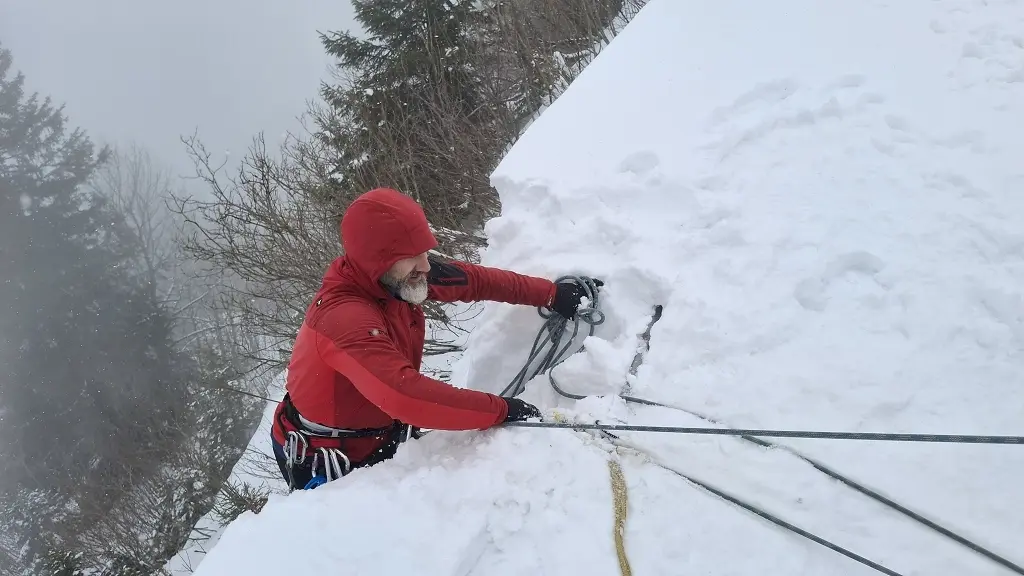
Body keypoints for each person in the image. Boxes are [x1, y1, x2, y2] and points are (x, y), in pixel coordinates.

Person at [270, 187, 598, 490]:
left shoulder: (396, 278)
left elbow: (478, 281)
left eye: (425, 251)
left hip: (379, 431)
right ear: (378, 260)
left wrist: (551, 294)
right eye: (413, 256)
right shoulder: (344, 319)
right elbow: (405, 396)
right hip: (330, 459)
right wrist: (499, 409)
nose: (426, 265)